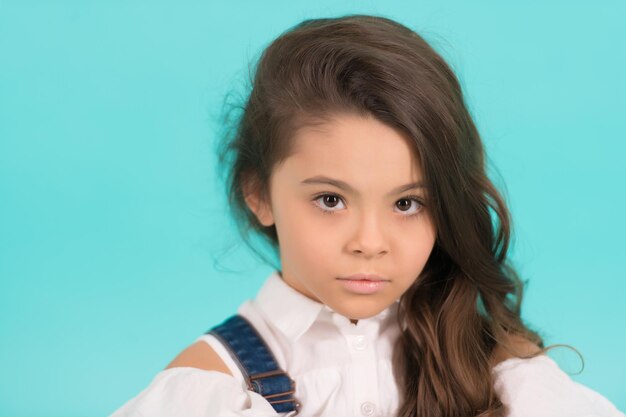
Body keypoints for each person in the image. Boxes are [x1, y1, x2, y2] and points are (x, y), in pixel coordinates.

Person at [108, 14, 625, 417]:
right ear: (259, 193)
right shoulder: (213, 387)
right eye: (331, 200)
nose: (370, 241)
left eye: (407, 203)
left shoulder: (493, 368)